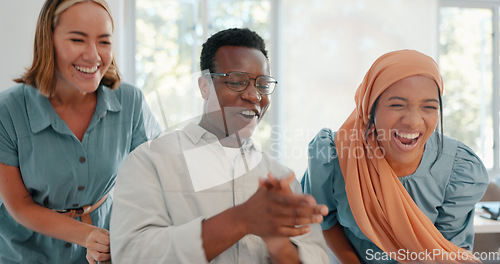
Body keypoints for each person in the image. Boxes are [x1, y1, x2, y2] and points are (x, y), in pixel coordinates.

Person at [110, 27, 329, 263]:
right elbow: (131, 254)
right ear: (205, 86)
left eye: (263, 85)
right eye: (237, 82)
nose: (254, 96)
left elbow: (317, 257)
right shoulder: (150, 161)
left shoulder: (281, 178)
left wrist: (279, 244)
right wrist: (241, 219)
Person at [0, 1, 161, 263]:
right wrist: (86, 235)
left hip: (104, 253)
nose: (93, 55)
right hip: (23, 254)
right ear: (48, 41)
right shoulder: (7, 111)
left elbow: (158, 175)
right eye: (78, 40)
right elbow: (19, 205)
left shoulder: (130, 102)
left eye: (104, 41)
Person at [302, 49, 489, 263]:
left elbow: (444, 251)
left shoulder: (457, 169)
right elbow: (324, 220)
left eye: (429, 107)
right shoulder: (335, 155)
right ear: (370, 107)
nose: (413, 122)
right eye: (397, 105)